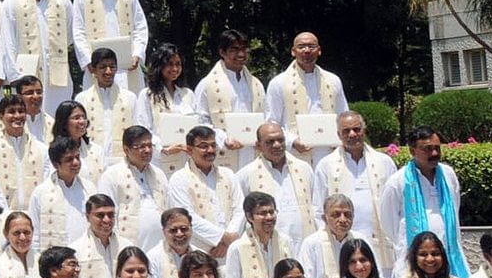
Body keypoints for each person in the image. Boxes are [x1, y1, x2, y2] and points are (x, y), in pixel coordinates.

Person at [379, 127, 469, 278]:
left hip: (449, 255)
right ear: (412, 151)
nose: (434, 153)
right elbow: (388, 224)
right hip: (412, 259)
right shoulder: (398, 181)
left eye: (437, 148)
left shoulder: (448, 175)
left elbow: (455, 207)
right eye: (427, 149)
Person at [315, 111, 397, 264]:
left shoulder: (384, 162)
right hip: (342, 242)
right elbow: (318, 209)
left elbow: (397, 205)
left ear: (364, 131)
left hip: (381, 242)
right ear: (339, 135)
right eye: (346, 131)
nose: (352, 134)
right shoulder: (326, 165)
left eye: (357, 129)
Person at [0, 0, 76, 107]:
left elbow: (69, 36)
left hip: (56, 71)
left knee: (58, 113)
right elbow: (7, 41)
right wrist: (14, 75)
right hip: (24, 72)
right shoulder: (12, 1)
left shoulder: (62, 0)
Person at [70, 0, 149, 91]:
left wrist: (137, 54)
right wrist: (88, 61)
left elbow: (140, 27)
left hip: (127, 66)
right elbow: (78, 32)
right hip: (97, 67)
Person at [264, 32, 349, 162]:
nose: (307, 50)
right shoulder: (278, 83)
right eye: (301, 47)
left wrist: (338, 138)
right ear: (293, 51)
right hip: (295, 152)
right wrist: (292, 141)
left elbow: (344, 115)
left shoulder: (333, 80)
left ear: (319, 50)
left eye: (311, 46)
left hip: (329, 152)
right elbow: (271, 121)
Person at [165, 126, 241, 257]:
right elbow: (186, 217)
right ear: (189, 150)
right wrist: (221, 237)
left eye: (213, 145)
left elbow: (240, 209)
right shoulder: (179, 178)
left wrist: (228, 241)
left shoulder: (228, 174)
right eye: (204, 146)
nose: (210, 150)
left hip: (231, 248)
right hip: (199, 249)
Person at [235, 122, 319, 242]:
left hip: (304, 241)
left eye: (281, 140)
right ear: (258, 146)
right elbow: (241, 214)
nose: (277, 145)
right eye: (270, 141)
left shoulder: (304, 168)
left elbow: (316, 207)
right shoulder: (246, 174)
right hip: (266, 245)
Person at [195, 29, 266, 168]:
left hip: (252, 150)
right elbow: (201, 120)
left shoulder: (256, 84)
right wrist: (222, 138)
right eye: (234, 49)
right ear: (222, 52)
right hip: (223, 149)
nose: (241, 54)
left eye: (244, 49)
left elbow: (265, 116)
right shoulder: (207, 84)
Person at [133, 42, 206, 175]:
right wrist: (162, 148)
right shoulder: (147, 95)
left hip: (186, 156)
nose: (174, 68)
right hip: (161, 157)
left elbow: (198, 124)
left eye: (178, 64)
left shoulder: (187, 94)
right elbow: (143, 127)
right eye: (170, 64)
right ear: (159, 66)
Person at [224, 192, 294, 278]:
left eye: (271, 212)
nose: (269, 217)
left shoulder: (286, 242)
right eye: (262, 213)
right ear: (249, 217)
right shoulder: (237, 248)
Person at [297, 195, 366, 278]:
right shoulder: (312, 243)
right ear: (324, 218)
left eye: (347, 215)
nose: (343, 220)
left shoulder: (360, 240)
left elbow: (375, 274)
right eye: (336, 214)